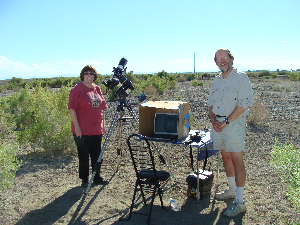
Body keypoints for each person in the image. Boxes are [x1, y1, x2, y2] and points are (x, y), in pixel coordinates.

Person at [207, 48, 254, 217]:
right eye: (218, 58)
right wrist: (214, 121)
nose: (222, 60)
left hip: (233, 123)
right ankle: (232, 190)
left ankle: (240, 202)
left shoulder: (241, 77)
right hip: (218, 124)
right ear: (216, 62)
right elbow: (210, 104)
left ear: (231, 58)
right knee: (225, 157)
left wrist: (226, 121)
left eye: (224, 57)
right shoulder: (216, 80)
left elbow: (244, 104)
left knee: (237, 160)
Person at [68, 65, 108, 187]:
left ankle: (97, 177)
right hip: (82, 131)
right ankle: (85, 180)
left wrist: (103, 125)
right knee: (84, 156)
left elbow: (102, 108)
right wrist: (77, 127)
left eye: (91, 73)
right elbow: (72, 109)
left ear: (94, 75)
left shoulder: (97, 89)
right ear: (82, 75)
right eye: (86, 73)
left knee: (97, 156)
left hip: (96, 129)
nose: (88, 76)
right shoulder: (77, 89)